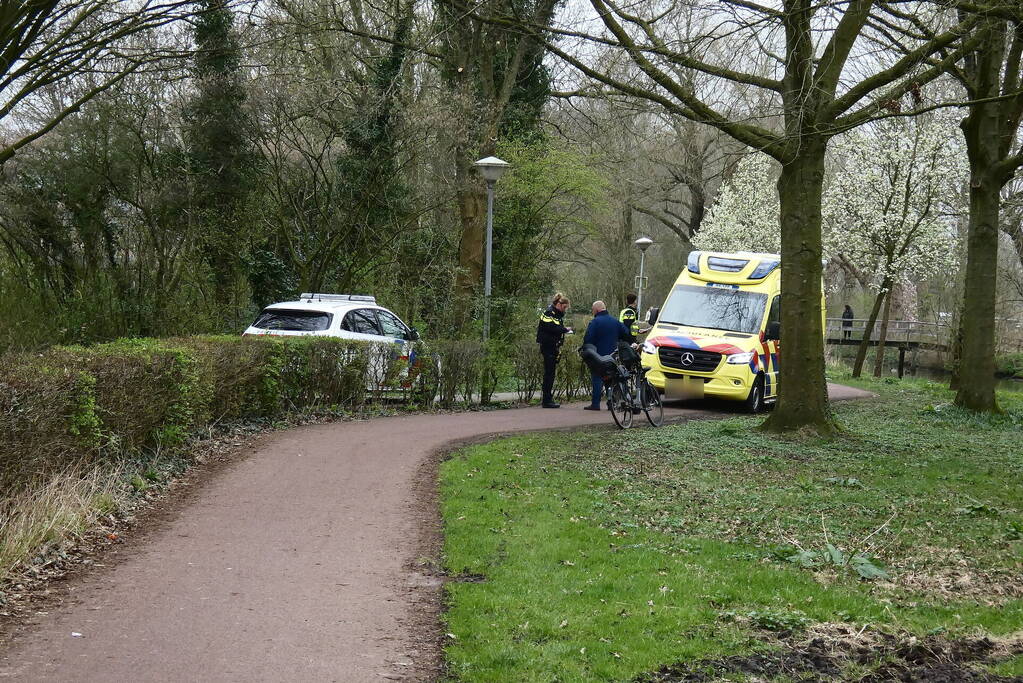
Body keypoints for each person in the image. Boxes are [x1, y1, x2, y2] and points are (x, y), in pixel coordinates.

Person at [582, 300, 631, 411]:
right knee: (611, 379)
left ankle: (595, 404)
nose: (592, 311)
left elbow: (588, 339)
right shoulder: (615, 321)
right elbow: (626, 333)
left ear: (597, 310)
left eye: (593, 310)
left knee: (597, 378)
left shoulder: (595, 322)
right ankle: (611, 403)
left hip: (597, 356)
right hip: (612, 356)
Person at [536, 293, 572, 408]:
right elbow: (551, 327)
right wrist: (565, 329)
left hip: (552, 346)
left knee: (550, 373)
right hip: (548, 346)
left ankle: (548, 398)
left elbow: (555, 328)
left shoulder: (555, 314)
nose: (565, 310)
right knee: (549, 374)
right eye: (565, 307)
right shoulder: (549, 312)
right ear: (559, 304)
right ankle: (547, 400)